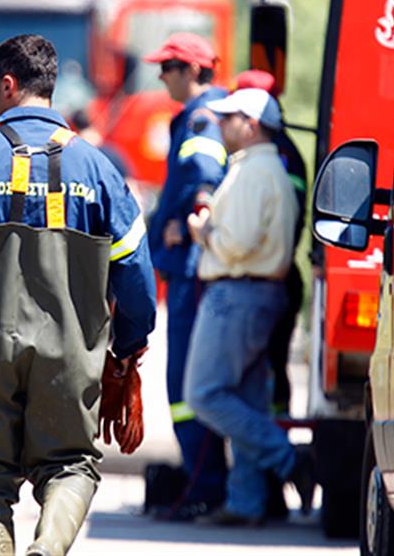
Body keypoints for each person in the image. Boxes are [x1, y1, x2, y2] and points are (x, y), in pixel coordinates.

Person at [0, 34, 157, 556]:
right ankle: (46, 550)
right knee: (71, 464)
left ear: (9, 84)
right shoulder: (99, 168)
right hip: (70, 350)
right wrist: (127, 348)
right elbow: (135, 276)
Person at [184, 87, 313, 526]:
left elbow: (234, 244)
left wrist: (201, 230)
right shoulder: (265, 168)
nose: (220, 124)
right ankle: (247, 502)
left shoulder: (252, 173)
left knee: (205, 395)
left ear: (251, 125)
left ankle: (291, 462)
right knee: (246, 399)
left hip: (237, 292)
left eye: (229, 117)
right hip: (258, 293)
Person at [143, 32, 229, 520]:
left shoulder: (200, 119)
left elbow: (203, 176)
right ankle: (205, 480)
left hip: (193, 271)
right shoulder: (204, 116)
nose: (161, 75)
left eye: (169, 66)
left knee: (186, 386)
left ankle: (204, 486)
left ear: (193, 71)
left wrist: (191, 218)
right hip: (191, 271)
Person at [234, 70, 307, 416]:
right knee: (271, 367)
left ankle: (272, 443)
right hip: (279, 276)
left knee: (265, 369)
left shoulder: (272, 157)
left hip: (265, 277)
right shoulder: (282, 152)